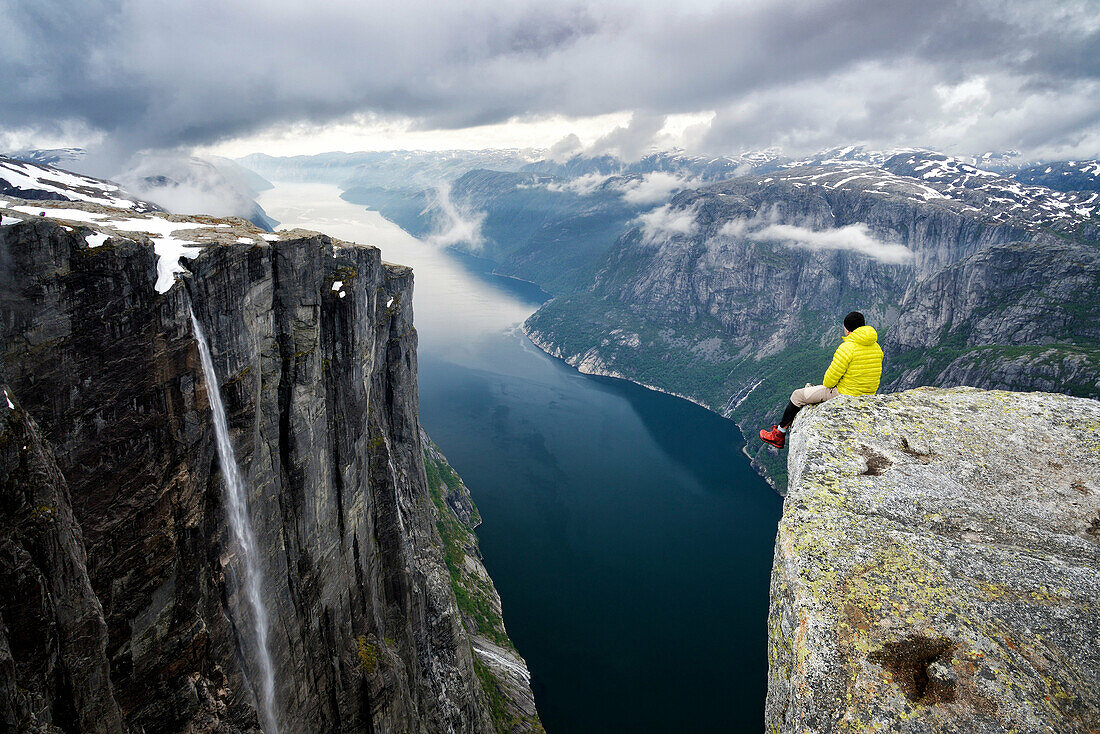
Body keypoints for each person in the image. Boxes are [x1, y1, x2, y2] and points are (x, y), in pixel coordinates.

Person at [759, 311, 883, 449]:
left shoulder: (847, 348)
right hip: (868, 395)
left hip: (845, 394)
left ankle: (778, 435)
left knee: (797, 395)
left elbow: (828, 382)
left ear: (847, 330)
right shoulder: (876, 347)